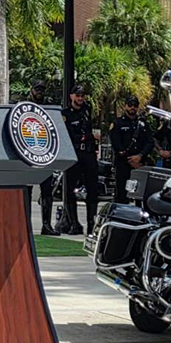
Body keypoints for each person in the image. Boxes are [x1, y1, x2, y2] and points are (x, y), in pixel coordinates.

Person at [57, 83, 98, 235]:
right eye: (78, 95)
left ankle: (91, 224)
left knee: (92, 189)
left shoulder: (87, 111)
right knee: (70, 190)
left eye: (82, 96)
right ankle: (74, 223)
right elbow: (69, 136)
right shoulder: (66, 114)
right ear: (71, 96)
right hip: (74, 155)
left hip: (88, 154)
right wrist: (89, 137)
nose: (80, 98)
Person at [27, 79, 59, 235]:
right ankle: (25, 224)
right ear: (31, 89)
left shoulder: (49, 106)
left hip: (44, 152)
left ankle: (46, 225)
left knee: (47, 190)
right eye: (37, 89)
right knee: (26, 190)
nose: (40, 92)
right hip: (26, 152)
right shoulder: (23, 105)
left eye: (42, 89)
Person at [110, 95, 154, 204]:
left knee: (140, 195)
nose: (132, 108)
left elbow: (150, 142)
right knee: (122, 194)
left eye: (135, 105)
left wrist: (140, 156)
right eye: (130, 105)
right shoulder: (118, 123)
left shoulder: (143, 124)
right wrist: (130, 160)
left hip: (140, 163)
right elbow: (116, 144)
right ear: (125, 106)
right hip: (123, 163)